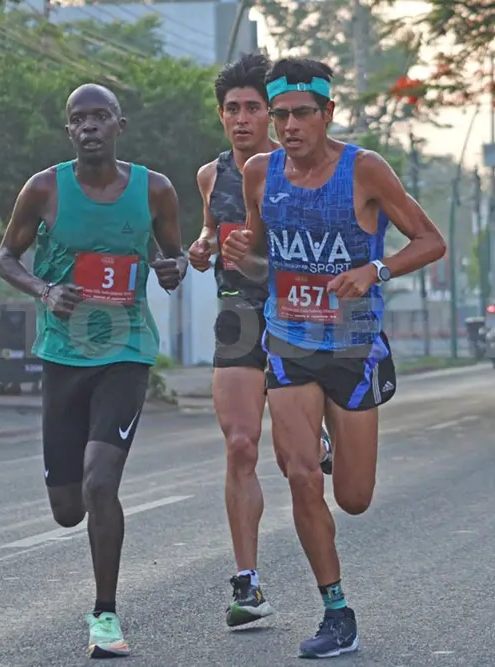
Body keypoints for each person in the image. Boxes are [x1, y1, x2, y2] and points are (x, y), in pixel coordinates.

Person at [222, 58, 447, 659]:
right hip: (289, 343)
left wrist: (374, 269)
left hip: (353, 346)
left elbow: (431, 240)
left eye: (302, 114)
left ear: (327, 115)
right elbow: (257, 260)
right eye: (281, 114)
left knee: (354, 497)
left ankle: (333, 443)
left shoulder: (364, 170)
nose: (289, 125)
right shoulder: (259, 173)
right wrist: (239, 249)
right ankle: (336, 610)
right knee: (299, 478)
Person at [0, 83, 187, 659]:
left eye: (100, 116)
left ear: (119, 126)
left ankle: (105, 614)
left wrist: (171, 269)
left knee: (102, 483)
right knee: (67, 508)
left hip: (126, 351)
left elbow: (168, 258)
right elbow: (6, 257)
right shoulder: (44, 189)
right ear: (68, 130)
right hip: (63, 355)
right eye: (79, 119)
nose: (90, 127)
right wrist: (45, 289)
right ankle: (81, 522)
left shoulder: (155, 190)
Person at [187, 52, 334, 629]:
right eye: (233, 109)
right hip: (237, 314)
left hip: (294, 317)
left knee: (291, 462)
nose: (243, 118)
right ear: (222, 116)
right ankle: (247, 585)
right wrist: (202, 248)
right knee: (241, 444)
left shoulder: (295, 169)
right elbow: (210, 229)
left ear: (271, 115)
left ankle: (316, 427)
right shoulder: (211, 174)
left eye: (254, 108)